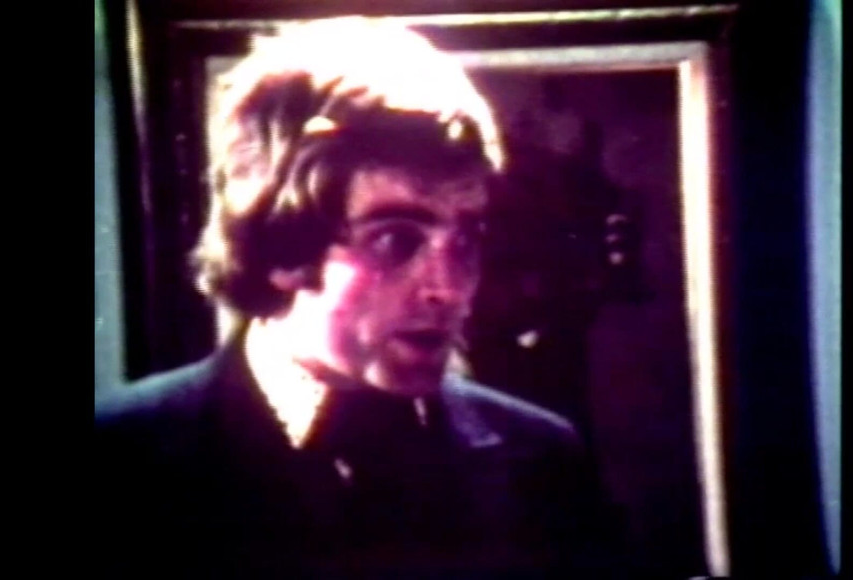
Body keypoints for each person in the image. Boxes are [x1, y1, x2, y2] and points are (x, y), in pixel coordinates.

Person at [95, 17, 620, 577]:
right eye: (396, 240)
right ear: (281, 249)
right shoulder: (118, 461)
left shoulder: (541, 459)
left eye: (466, 240)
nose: (448, 289)